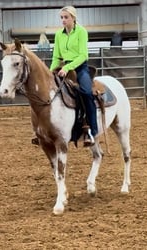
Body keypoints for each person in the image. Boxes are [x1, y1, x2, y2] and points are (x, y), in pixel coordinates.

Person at [50, 6, 97, 147]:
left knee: (87, 92)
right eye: (62, 17)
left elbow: (83, 55)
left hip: (80, 68)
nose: (63, 20)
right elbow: (56, 57)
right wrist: (50, 72)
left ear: (73, 18)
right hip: (63, 68)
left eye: (66, 17)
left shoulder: (81, 32)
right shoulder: (59, 35)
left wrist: (67, 67)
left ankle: (91, 130)